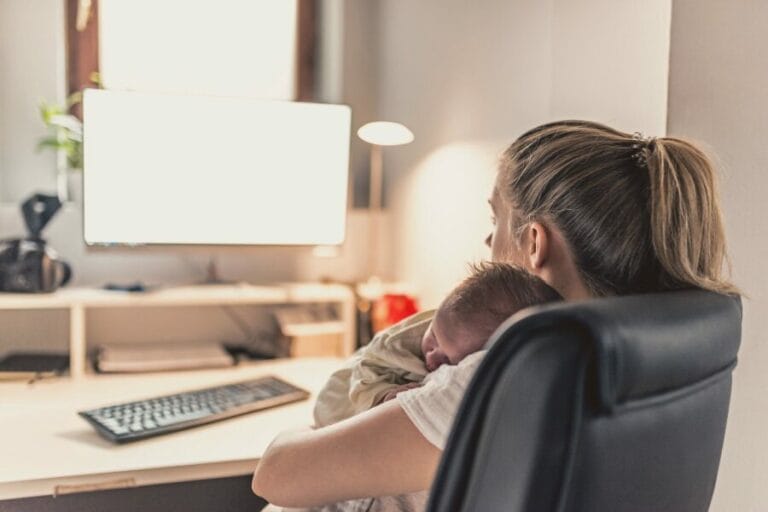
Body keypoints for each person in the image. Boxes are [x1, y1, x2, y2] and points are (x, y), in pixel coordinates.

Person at [252, 120, 737, 510]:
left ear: (533, 243)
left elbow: (276, 475)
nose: (488, 243)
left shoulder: (511, 375)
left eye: (495, 220)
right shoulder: (639, 357)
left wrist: (311, 431)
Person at [313, 262, 561, 428]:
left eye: (446, 361)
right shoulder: (401, 343)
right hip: (341, 395)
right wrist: (382, 396)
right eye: (432, 340)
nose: (431, 357)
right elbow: (367, 369)